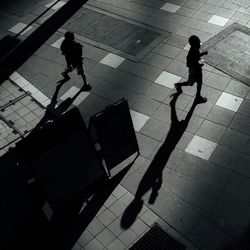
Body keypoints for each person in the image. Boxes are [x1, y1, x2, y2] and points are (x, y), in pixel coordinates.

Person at [175, 35, 207, 102]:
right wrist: (200, 64)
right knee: (191, 83)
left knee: (198, 82)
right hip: (195, 71)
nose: (199, 44)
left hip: (195, 70)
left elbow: (196, 56)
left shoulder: (194, 49)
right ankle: (179, 85)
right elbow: (191, 62)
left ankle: (198, 95)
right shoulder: (193, 51)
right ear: (195, 44)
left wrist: (203, 54)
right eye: (198, 43)